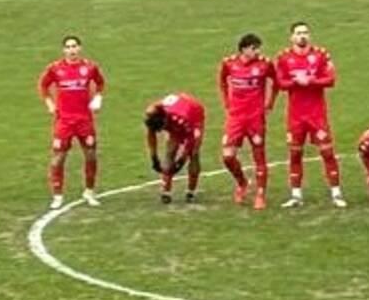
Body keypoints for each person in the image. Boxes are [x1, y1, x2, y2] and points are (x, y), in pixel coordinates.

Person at [274, 22, 347, 208]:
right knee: (295, 154)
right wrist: (296, 82)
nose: (302, 36)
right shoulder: (283, 57)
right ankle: (296, 195)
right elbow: (280, 83)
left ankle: (336, 193)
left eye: (305, 32)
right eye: (298, 33)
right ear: (292, 37)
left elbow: (331, 79)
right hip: (295, 116)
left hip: (317, 115)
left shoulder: (321, 54)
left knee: (327, 152)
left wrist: (311, 81)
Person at [38, 35, 105, 210]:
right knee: (58, 158)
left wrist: (98, 97)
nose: (71, 50)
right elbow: (43, 85)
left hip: (84, 120)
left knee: (90, 155)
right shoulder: (55, 68)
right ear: (64, 50)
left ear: (79, 48)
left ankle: (89, 191)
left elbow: (100, 83)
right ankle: (57, 195)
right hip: (64, 121)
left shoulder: (89, 67)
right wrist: (49, 103)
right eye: (68, 47)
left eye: (74, 46)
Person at [219, 33, 277, 210]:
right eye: (254, 48)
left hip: (255, 118)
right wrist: (227, 103)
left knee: (259, 155)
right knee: (228, 156)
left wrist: (269, 103)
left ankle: (260, 195)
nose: (258, 51)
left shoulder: (265, 64)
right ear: (244, 49)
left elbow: (276, 82)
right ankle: (242, 182)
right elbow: (222, 81)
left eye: (258, 48)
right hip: (236, 118)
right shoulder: (229, 63)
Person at [144, 93, 205, 204]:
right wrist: (154, 157)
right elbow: (151, 134)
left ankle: (191, 191)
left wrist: (181, 160)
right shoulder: (152, 114)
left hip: (194, 115)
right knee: (170, 151)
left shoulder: (183, 119)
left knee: (194, 154)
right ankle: (166, 191)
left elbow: (191, 141)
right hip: (176, 112)